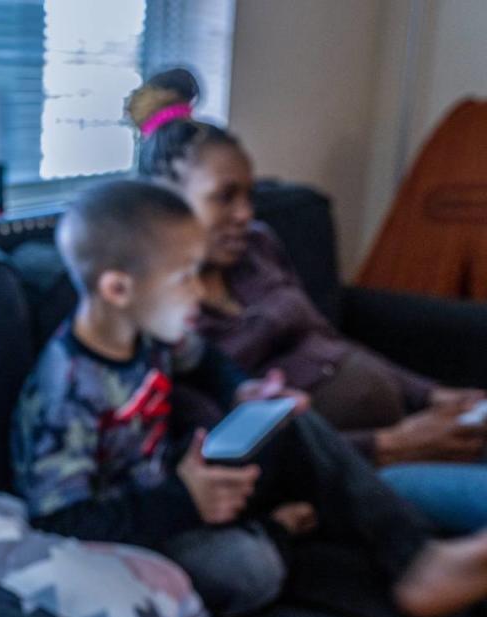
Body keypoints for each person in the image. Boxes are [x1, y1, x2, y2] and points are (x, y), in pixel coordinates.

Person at [11, 179, 487, 617]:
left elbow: (206, 362)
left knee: (283, 418)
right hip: (130, 533)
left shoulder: (148, 332)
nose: (200, 292)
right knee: (248, 569)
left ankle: (416, 557)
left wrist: (242, 390)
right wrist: (185, 501)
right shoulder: (66, 392)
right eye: (185, 278)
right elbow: (63, 522)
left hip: (171, 480)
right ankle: (278, 530)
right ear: (118, 288)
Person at [128, 68, 487, 533]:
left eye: (249, 195)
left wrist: (434, 394)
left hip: (408, 429)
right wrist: (395, 444)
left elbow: (328, 340)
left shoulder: (257, 247)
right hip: (348, 471)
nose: (245, 214)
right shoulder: (165, 321)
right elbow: (232, 449)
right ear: (165, 205)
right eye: (225, 198)